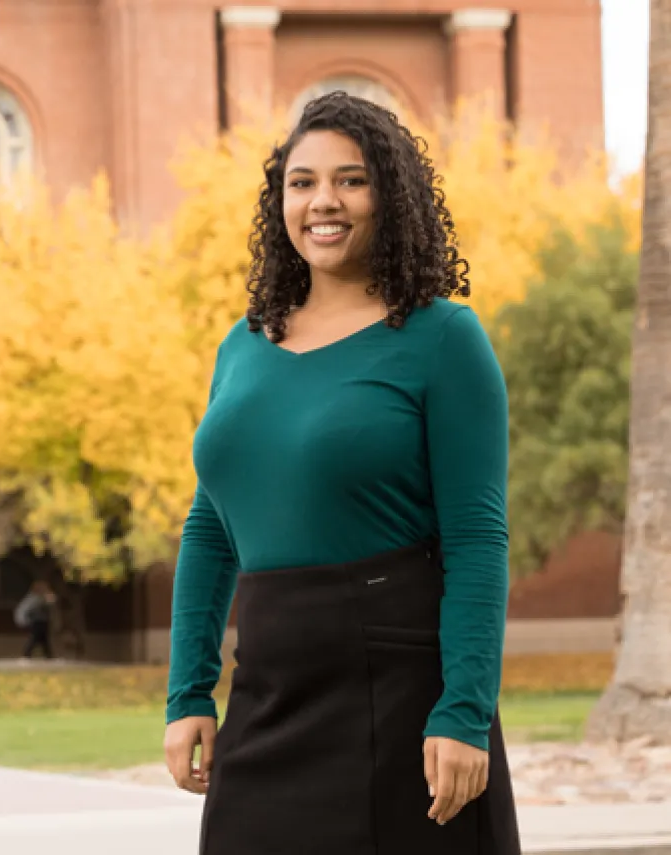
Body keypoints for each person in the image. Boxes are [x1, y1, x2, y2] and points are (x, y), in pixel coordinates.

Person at [163, 92, 520, 855]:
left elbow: (478, 537)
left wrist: (463, 710)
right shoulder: (243, 345)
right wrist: (188, 691)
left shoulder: (443, 338)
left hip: (395, 689)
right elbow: (209, 528)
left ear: (390, 197)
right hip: (267, 684)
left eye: (351, 180)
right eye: (302, 182)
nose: (323, 201)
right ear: (279, 201)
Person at [13, 580, 55, 660]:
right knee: (36, 638)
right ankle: (26, 654)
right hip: (37, 621)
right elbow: (46, 604)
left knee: (43, 639)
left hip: (40, 621)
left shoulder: (34, 597)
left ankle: (48, 655)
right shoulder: (36, 598)